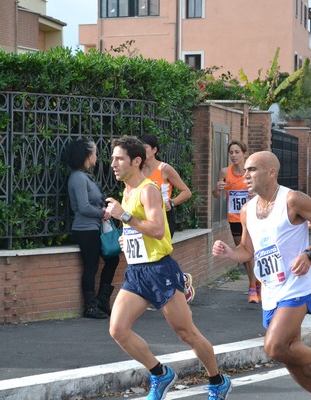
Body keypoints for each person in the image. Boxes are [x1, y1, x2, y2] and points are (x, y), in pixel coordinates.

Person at [105, 136, 231, 400]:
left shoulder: (148, 189)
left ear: (136, 161)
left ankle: (217, 380)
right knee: (118, 329)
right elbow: (141, 230)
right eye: (113, 158)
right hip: (137, 272)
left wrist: (124, 217)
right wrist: (126, 236)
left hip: (159, 271)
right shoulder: (127, 192)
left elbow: (157, 229)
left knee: (187, 333)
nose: (113, 163)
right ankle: (160, 373)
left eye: (119, 158)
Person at [213, 151, 311, 400]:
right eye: (247, 169)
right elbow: (247, 250)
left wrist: (309, 254)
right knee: (290, 356)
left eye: (253, 169)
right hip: (271, 290)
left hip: (296, 286)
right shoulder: (247, 209)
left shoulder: (292, 200)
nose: (247, 174)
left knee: (274, 347)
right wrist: (230, 252)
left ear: (271, 172)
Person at [66, 138, 120, 319]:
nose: (96, 156)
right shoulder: (78, 178)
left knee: (112, 259)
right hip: (85, 228)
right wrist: (102, 212)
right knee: (91, 266)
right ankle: (90, 306)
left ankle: (102, 300)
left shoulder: (85, 177)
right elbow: (83, 207)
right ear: (87, 156)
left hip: (95, 227)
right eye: (95, 153)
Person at [140, 133, 195, 303]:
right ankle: (176, 281)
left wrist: (172, 202)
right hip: (145, 216)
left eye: (145, 147)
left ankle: (180, 280)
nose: (141, 150)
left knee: (159, 254)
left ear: (154, 150)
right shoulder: (138, 169)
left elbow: (187, 192)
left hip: (164, 216)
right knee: (148, 256)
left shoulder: (164, 169)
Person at [212, 140, 259, 303]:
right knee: (244, 254)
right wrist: (217, 189)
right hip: (234, 218)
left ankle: (253, 287)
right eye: (231, 152)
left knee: (251, 252)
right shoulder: (225, 172)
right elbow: (216, 195)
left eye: (237, 152)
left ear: (244, 153)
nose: (234, 155)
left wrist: (256, 195)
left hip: (252, 217)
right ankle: (254, 282)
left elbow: (263, 191)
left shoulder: (251, 172)